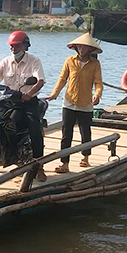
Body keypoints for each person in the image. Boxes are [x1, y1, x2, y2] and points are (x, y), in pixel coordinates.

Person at [0, 30, 47, 181]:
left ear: (25, 46)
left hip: (28, 102)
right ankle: (3, 153)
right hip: (8, 100)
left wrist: (29, 93)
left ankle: (39, 165)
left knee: (34, 130)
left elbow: (40, 81)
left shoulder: (34, 61)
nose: (12, 48)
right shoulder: (6, 61)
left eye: (16, 45)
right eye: (11, 46)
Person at [47, 33, 103, 173]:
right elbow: (62, 79)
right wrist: (54, 94)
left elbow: (98, 83)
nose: (81, 49)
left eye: (84, 47)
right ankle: (64, 163)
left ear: (90, 49)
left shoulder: (95, 64)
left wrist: (97, 95)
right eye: (79, 46)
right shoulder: (70, 61)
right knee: (67, 133)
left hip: (86, 103)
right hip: (69, 101)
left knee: (85, 132)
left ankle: (85, 157)